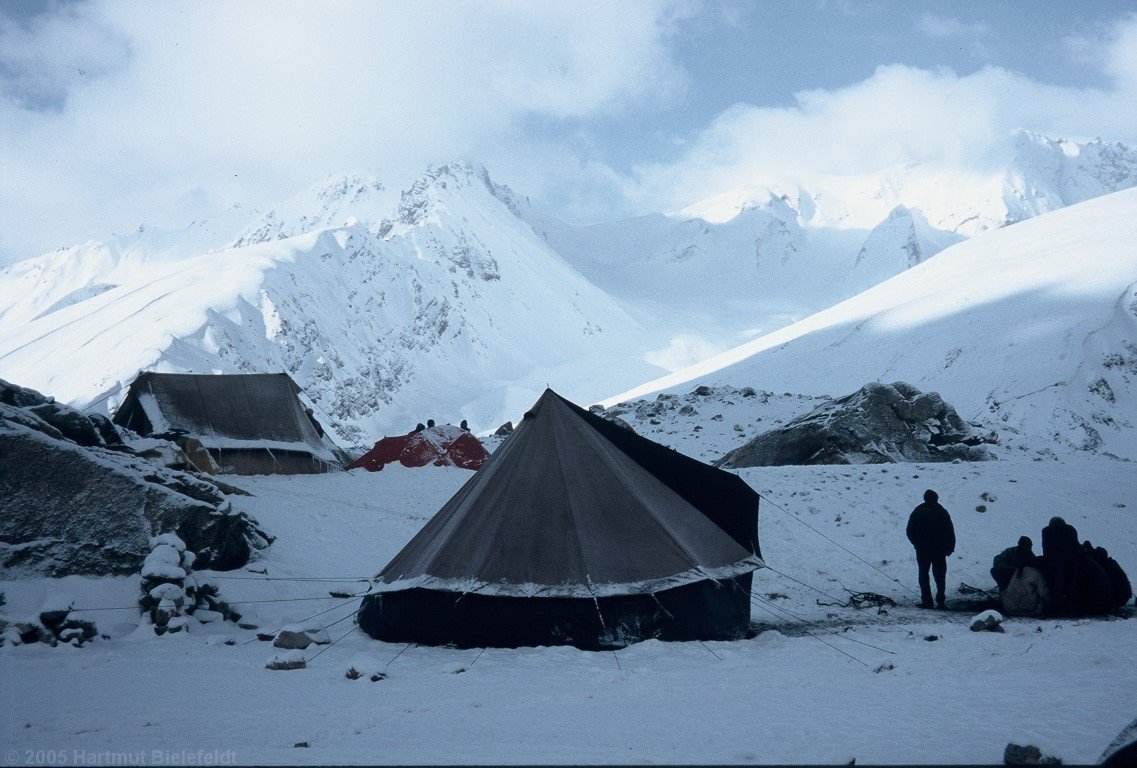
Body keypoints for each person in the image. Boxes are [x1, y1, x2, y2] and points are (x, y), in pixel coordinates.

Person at [906, 489, 956, 609]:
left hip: (924, 549)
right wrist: (950, 547)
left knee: (924, 574)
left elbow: (910, 530)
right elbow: (950, 531)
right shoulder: (941, 511)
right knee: (939, 575)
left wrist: (917, 544)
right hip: (938, 550)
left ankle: (927, 601)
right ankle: (940, 600)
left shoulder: (919, 511)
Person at [1041, 517, 1080, 614]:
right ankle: (1071, 607)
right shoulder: (1071, 529)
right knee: (1071, 584)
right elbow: (1076, 546)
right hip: (1072, 561)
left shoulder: (1047, 531)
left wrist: (1047, 562)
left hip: (1055, 562)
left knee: (1056, 585)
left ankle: (1057, 608)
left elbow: (1046, 548)